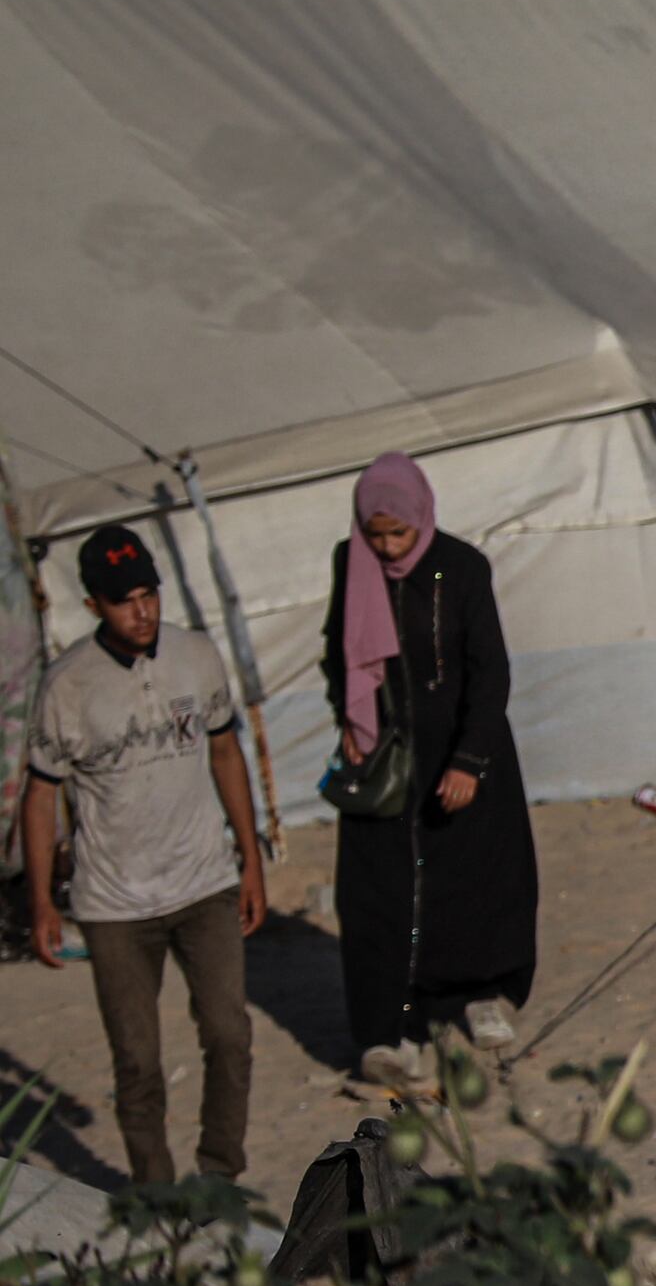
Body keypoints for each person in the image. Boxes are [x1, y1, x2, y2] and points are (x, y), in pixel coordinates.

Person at [21, 526, 269, 1185]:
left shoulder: (197, 656)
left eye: (149, 594)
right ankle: (158, 1198)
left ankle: (219, 1176)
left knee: (228, 1035)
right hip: (114, 905)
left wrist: (250, 858)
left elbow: (224, 753)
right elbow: (41, 797)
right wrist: (43, 899)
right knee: (136, 1059)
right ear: (94, 604)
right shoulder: (67, 684)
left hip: (204, 884)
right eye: (125, 599)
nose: (144, 611)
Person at [321, 453, 535, 1082]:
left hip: (461, 751)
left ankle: (483, 994)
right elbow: (339, 650)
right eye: (376, 534)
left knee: (478, 879)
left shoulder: (462, 567)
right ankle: (392, 1027)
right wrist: (349, 718)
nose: (386, 547)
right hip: (385, 758)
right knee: (379, 895)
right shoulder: (352, 563)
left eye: (398, 533)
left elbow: (488, 670)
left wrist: (470, 759)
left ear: (421, 517)